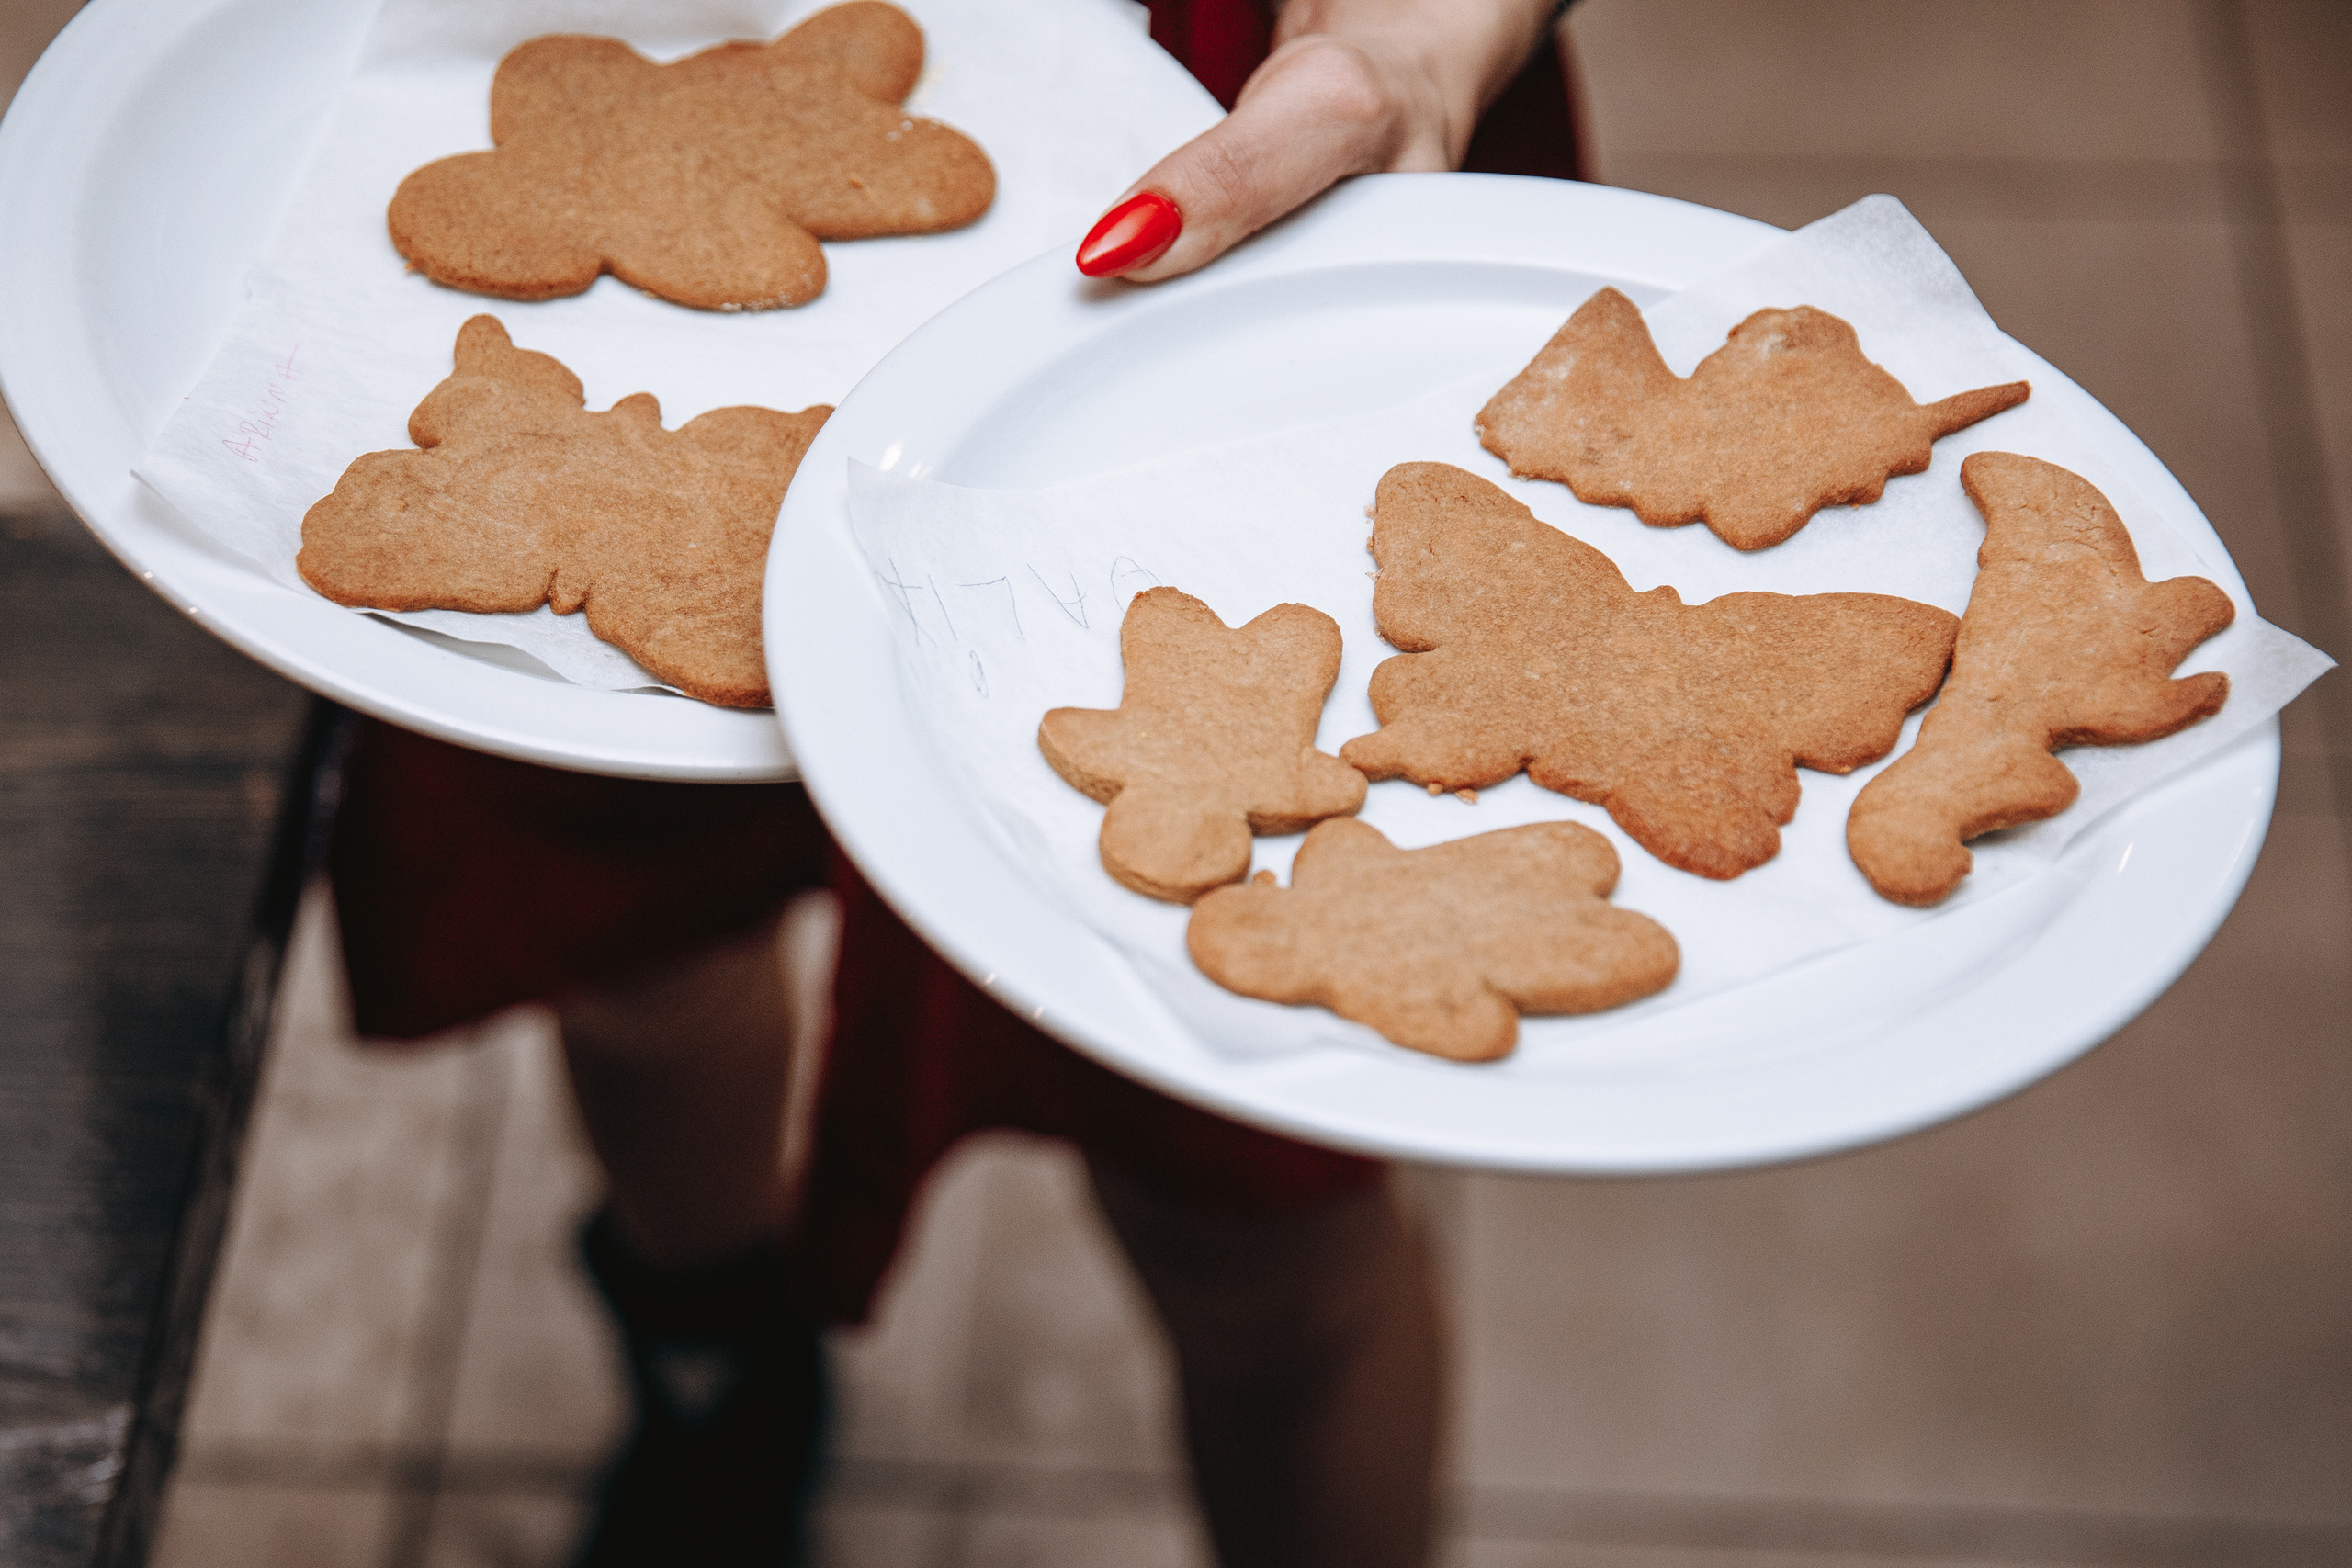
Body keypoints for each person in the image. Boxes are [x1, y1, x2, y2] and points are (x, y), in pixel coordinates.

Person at [328, 4, 1587, 1564]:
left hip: (1233, 139)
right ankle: (717, 1373)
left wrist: (1415, 45)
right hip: (648, 129)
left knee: (1255, 1203)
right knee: (639, 943)